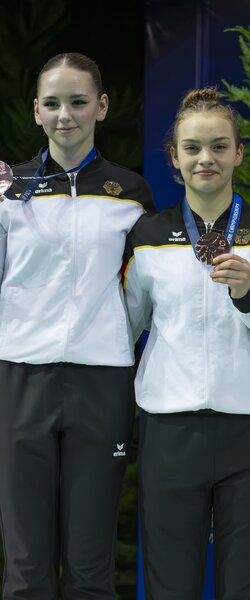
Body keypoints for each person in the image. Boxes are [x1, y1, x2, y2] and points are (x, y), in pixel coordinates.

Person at [123, 87, 250, 599]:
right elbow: (125, 328)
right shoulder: (147, 236)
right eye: (193, 148)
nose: (206, 158)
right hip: (170, 430)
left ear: (238, 153)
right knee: (169, 586)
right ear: (175, 159)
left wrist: (248, 295)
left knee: (246, 590)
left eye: (219, 146)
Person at [0, 53, 154, 599]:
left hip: (100, 382)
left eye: (79, 102)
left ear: (102, 108)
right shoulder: (7, 190)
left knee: (90, 565)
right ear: (36, 112)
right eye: (53, 103)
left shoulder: (130, 195)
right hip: (21, 379)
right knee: (25, 566)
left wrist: (110, 335)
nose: (66, 114)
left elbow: (141, 295)